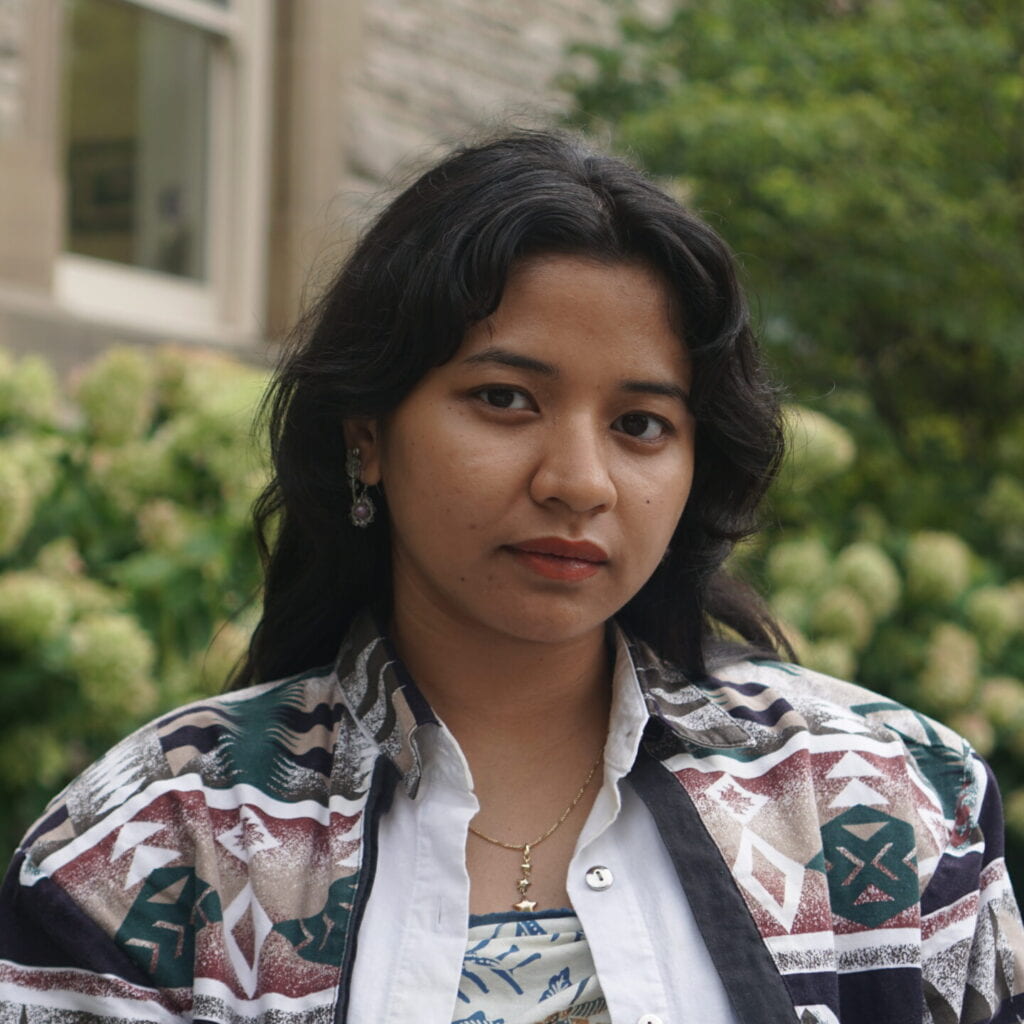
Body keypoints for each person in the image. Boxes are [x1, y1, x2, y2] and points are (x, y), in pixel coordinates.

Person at [0, 131, 1021, 1024]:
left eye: (639, 425)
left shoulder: (884, 803)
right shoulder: (161, 845)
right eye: (504, 398)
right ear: (367, 436)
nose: (578, 482)